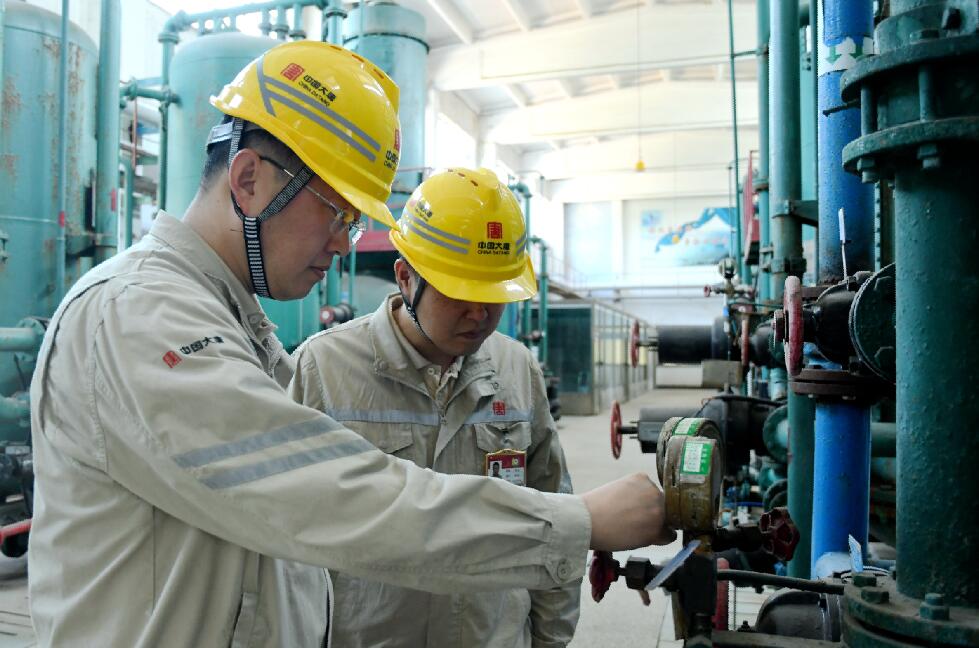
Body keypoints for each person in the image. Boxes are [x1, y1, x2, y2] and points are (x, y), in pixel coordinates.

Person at [27, 41, 674, 648]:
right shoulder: (137, 314)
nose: (343, 244)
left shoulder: (229, 323)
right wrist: (575, 522)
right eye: (336, 212)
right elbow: (326, 497)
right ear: (248, 180)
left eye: (354, 221)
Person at [290, 168, 581, 648]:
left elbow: (556, 516)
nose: (479, 314)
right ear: (406, 278)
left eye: (493, 295)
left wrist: (550, 640)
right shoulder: (325, 369)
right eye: (459, 292)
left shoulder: (517, 369)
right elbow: (284, 534)